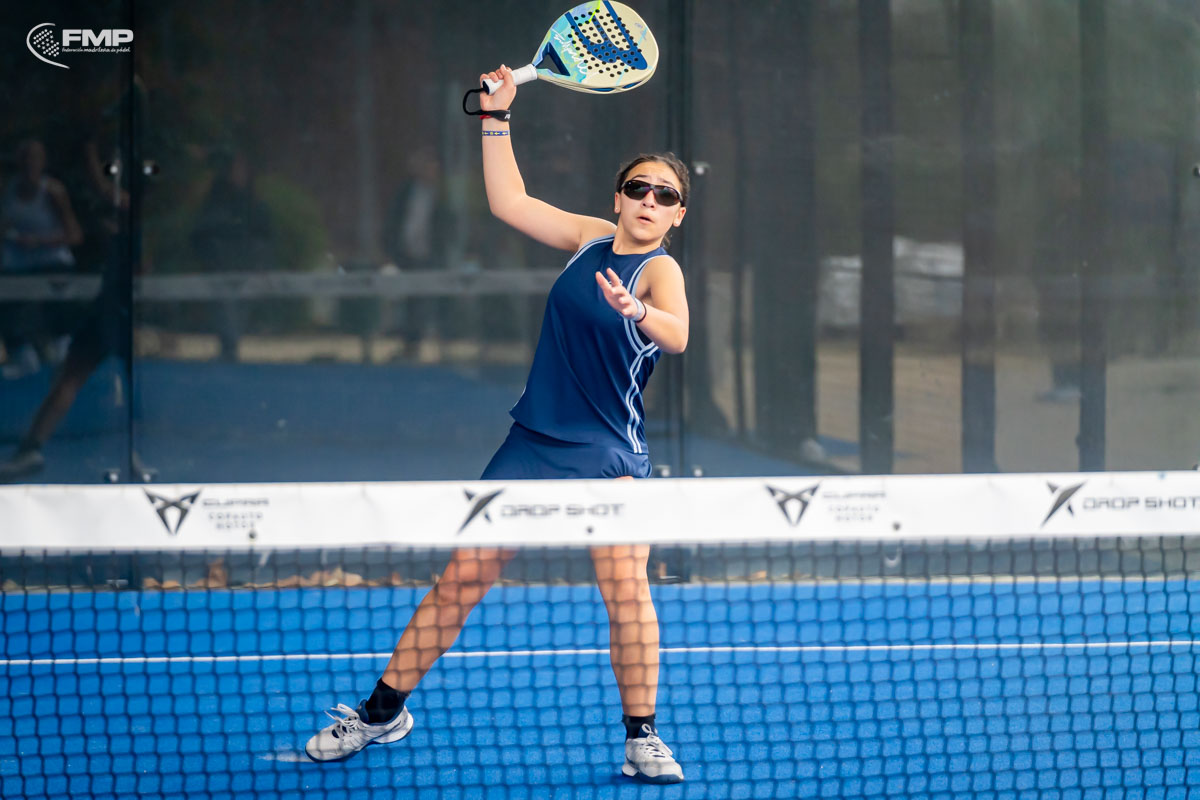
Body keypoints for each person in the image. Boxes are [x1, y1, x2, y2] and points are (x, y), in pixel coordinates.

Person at [304, 65, 690, 785]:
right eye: (638, 188)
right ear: (617, 198)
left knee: (627, 595)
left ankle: (642, 737)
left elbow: (678, 335)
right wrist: (496, 116)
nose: (648, 200)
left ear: (676, 215)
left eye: (664, 195)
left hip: (608, 456)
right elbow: (509, 201)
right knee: (460, 581)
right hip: (532, 444)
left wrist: (637, 311)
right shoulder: (589, 240)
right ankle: (381, 713)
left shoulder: (660, 272)